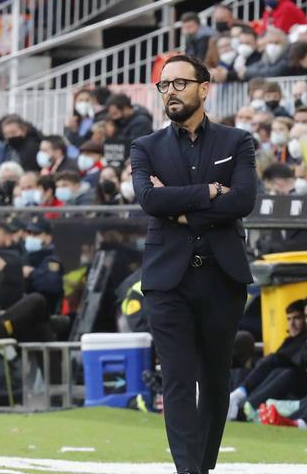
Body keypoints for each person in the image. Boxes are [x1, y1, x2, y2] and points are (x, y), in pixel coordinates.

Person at [130, 54, 256, 474]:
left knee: (215, 378)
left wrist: (181, 206)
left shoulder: (237, 141)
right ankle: (189, 471)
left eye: (179, 83)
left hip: (223, 275)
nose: (170, 92)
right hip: (168, 280)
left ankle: (203, 466)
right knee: (179, 378)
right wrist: (210, 193)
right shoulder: (144, 147)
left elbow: (243, 200)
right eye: (164, 86)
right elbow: (150, 200)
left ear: (204, 88)